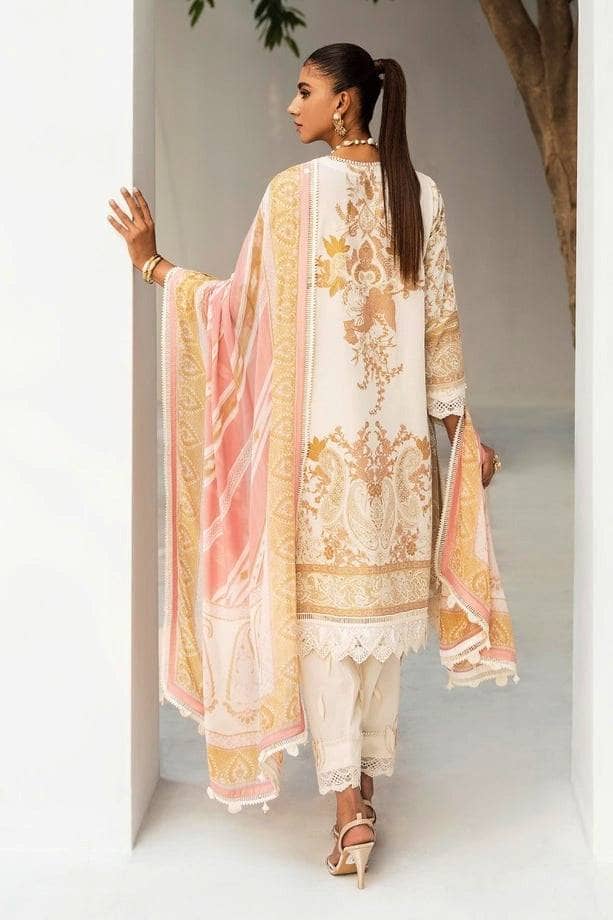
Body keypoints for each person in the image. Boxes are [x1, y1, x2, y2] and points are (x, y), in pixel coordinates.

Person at [107, 43, 515, 889]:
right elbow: (441, 329)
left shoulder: (294, 195)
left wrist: (153, 266)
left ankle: (349, 815)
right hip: (397, 465)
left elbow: (235, 311)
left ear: (346, 102)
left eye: (304, 91)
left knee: (328, 637)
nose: (292, 106)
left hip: (322, 463)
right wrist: (459, 437)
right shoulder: (421, 194)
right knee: (372, 636)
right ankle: (359, 788)